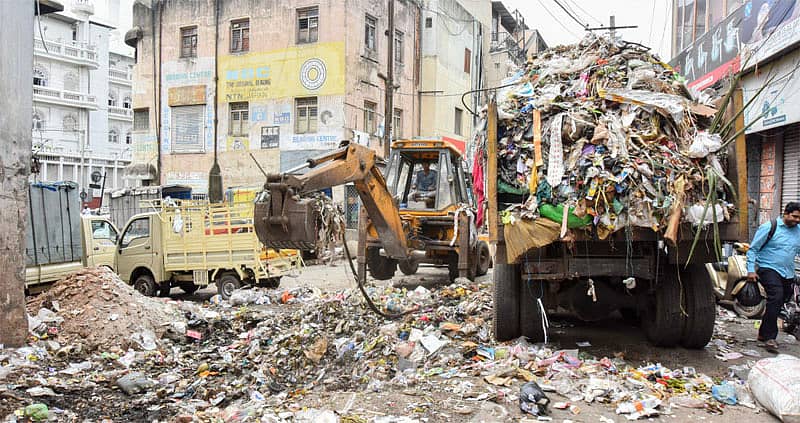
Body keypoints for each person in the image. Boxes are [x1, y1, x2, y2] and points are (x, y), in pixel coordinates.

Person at [746, 201, 800, 350]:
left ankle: (763, 332)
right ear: (786, 214)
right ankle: (770, 338)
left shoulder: (799, 231)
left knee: (778, 302)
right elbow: (753, 249)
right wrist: (751, 270)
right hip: (768, 268)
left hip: (788, 273)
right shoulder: (769, 227)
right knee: (776, 297)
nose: (797, 220)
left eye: (799, 218)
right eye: (795, 217)